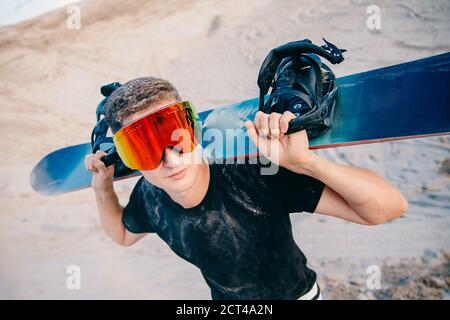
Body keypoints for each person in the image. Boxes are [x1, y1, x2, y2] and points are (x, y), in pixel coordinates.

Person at [84, 77, 408, 300]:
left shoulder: (255, 171)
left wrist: (307, 164)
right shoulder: (149, 195)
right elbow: (124, 235)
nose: (170, 159)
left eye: (176, 136)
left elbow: (389, 208)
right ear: (132, 160)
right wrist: (103, 190)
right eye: (145, 148)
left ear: (194, 130)